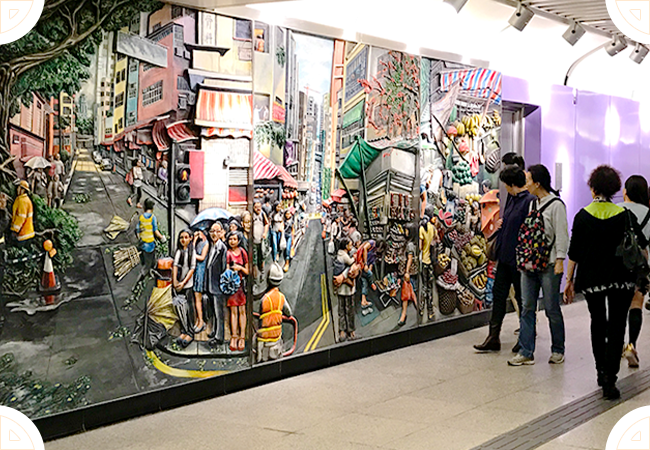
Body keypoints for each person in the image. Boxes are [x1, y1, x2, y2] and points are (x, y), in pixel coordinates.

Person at [564, 165, 648, 400]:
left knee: (598, 322)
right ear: (614, 189)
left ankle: (600, 370)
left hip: (592, 280)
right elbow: (641, 246)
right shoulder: (625, 215)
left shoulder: (582, 216)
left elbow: (574, 253)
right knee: (617, 324)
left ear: (593, 188)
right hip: (621, 279)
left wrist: (569, 280)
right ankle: (611, 377)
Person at [508, 164, 568, 366]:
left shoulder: (556, 205)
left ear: (538, 183)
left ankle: (558, 349)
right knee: (527, 307)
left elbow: (561, 234)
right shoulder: (532, 204)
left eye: (528, 180)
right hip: (530, 263)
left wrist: (560, 260)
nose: (525, 184)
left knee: (551, 308)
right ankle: (526, 351)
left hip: (549, 264)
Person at [474, 165, 535, 352]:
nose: (506, 188)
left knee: (522, 300)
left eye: (507, 184)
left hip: (519, 261)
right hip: (505, 258)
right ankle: (493, 337)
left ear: (512, 184)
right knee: (498, 296)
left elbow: (530, 230)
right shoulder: (511, 200)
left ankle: (525, 338)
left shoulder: (529, 201)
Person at [618, 175, 650, 368]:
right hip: (640, 267)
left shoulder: (616, 210)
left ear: (626, 191)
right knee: (636, 303)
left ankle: (617, 345)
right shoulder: (648, 214)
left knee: (618, 306)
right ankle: (631, 345)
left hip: (617, 266)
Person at [256, 263, 294, 362]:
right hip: (276, 338)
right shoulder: (281, 297)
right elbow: (289, 313)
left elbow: (260, 316)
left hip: (263, 340)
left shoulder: (264, 299)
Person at [204, 222, 228, 347]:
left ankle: (219, 337)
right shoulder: (211, 246)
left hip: (218, 284)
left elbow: (223, 268)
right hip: (211, 284)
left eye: (217, 231)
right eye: (212, 231)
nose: (214, 234)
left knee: (219, 312)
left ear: (221, 232)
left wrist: (222, 284)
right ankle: (214, 331)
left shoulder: (222, 248)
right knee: (214, 311)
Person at [226, 231, 249, 352]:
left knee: (242, 311)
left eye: (234, 239)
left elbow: (247, 271)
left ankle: (242, 336)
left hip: (241, 285)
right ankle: (234, 336)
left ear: (238, 240)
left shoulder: (242, 252)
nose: (232, 241)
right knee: (233, 312)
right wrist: (230, 270)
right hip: (232, 285)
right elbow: (226, 270)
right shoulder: (228, 253)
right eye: (230, 239)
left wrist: (240, 268)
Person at [173, 230, 196, 348]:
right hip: (179, 284)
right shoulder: (179, 252)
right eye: (181, 237)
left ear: (190, 238)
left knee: (189, 309)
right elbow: (175, 266)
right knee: (180, 308)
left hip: (188, 285)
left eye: (186, 237)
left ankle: (190, 332)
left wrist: (183, 282)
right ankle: (184, 330)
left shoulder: (192, 252)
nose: (183, 240)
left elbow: (192, 269)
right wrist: (175, 281)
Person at [333, 237, 358, 341]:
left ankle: (344, 330)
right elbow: (351, 263)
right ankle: (348, 330)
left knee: (343, 310)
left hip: (342, 289)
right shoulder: (345, 256)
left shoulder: (339, 255)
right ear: (346, 246)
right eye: (350, 245)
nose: (351, 246)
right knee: (347, 310)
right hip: (346, 289)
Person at [398, 224, 419, 327]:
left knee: (406, 294)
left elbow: (410, 258)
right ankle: (418, 307)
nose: (405, 232)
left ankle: (403, 315)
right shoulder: (413, 243)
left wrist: (406, 272)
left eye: (407, 230)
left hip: (409, 272)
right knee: (412, 291)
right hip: (412, 272)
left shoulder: (410, 245)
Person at [136, 199, 165, 271]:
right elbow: (155, 231)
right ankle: (145, 273)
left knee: (144, 262)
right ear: (152, 208)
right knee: (149, 264)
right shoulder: (152, 217)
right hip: (150, 245)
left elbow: (137, 230)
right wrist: (162, 238)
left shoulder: (141, 217)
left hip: (143, 244)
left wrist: (140, 238)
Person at [419, 208, 438, 321]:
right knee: (430, 287)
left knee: (424, 286)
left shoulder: (422, 228)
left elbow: (420, 247)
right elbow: (437, 240)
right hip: (431, 261)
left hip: (424, 262)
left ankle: (421, 309)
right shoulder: (433, 228)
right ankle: (430, 311)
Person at [192, 229, 209, 334]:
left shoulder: (206, 244)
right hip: (196, 270)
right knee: (196, 298)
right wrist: (194, 240)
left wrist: (192, 255)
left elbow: (202, 257)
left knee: (198, 298)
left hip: (201, 271)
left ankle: (201, 321)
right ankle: (198, 320)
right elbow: (192, 249)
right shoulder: (199, 243)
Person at [355, 239, 376, 313]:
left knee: (364, 283)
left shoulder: (374, 253)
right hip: (362, 265)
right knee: (370, 275)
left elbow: (372, 263)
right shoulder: (372, 243)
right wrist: (366, 264)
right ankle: (371, 283)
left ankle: (363, 301)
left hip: (363, 268)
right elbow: (364, 248)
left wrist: (368, 268)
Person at [252, 200, 269, 279]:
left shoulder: (262, 214)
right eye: (256, 207)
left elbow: (267, 223)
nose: (258, 208)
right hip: (254, 240)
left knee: (262, 256)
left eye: (259, 207)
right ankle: (255, 277)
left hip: (261, 240)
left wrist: (265, 233)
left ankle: (262, 271)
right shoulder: (252, 215)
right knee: (254, 259)